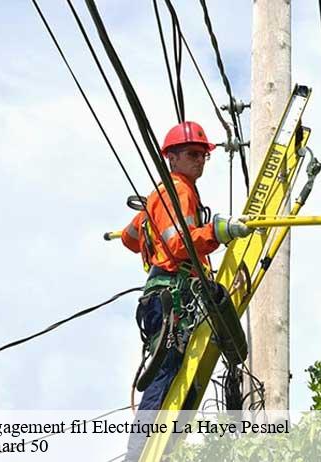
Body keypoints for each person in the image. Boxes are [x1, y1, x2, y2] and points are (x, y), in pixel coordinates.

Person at [120, 121, 250, 460]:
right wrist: (217, 232)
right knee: (166, 374)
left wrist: (150, 230)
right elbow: (179, 245)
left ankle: (147, 450)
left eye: (203, 155)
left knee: (169, 372)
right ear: (172, 158)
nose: (200, 160)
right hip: (171, 296)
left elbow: (129, 239)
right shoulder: (178, 190)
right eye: (192, 154)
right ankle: (140, 454)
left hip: (160, 295)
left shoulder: (158, 196)